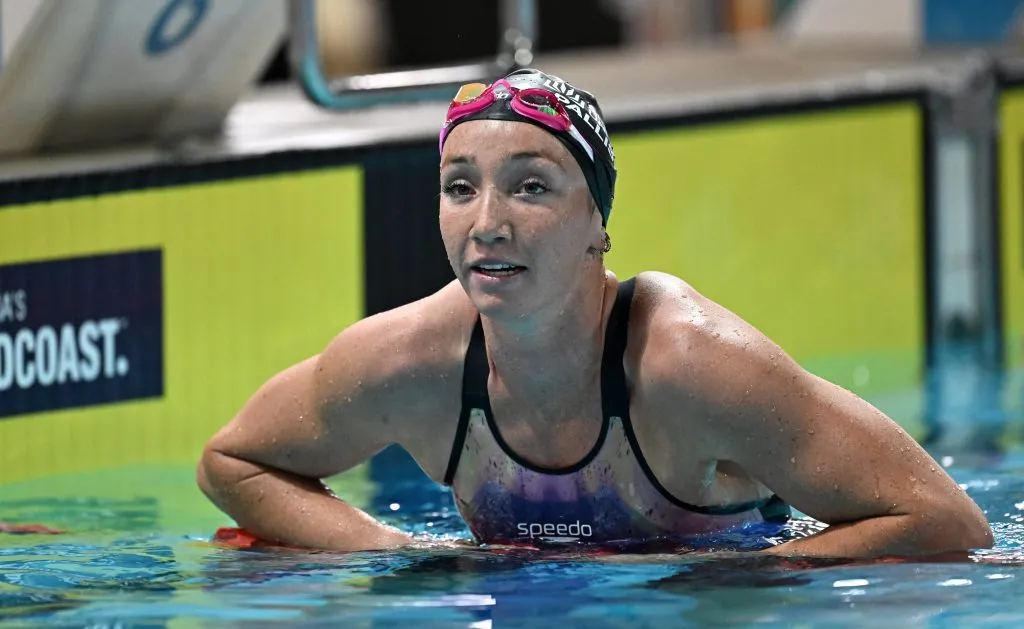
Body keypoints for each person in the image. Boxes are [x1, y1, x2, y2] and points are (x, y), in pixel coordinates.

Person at [197, 68, 994, 558]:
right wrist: (402, 551)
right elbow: (230, 464)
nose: (488, 223)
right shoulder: (415, 360)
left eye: (532, 186)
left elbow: (945, 521)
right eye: (460, 186)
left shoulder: (690, 362)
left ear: (598, 226)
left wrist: (729, 572)